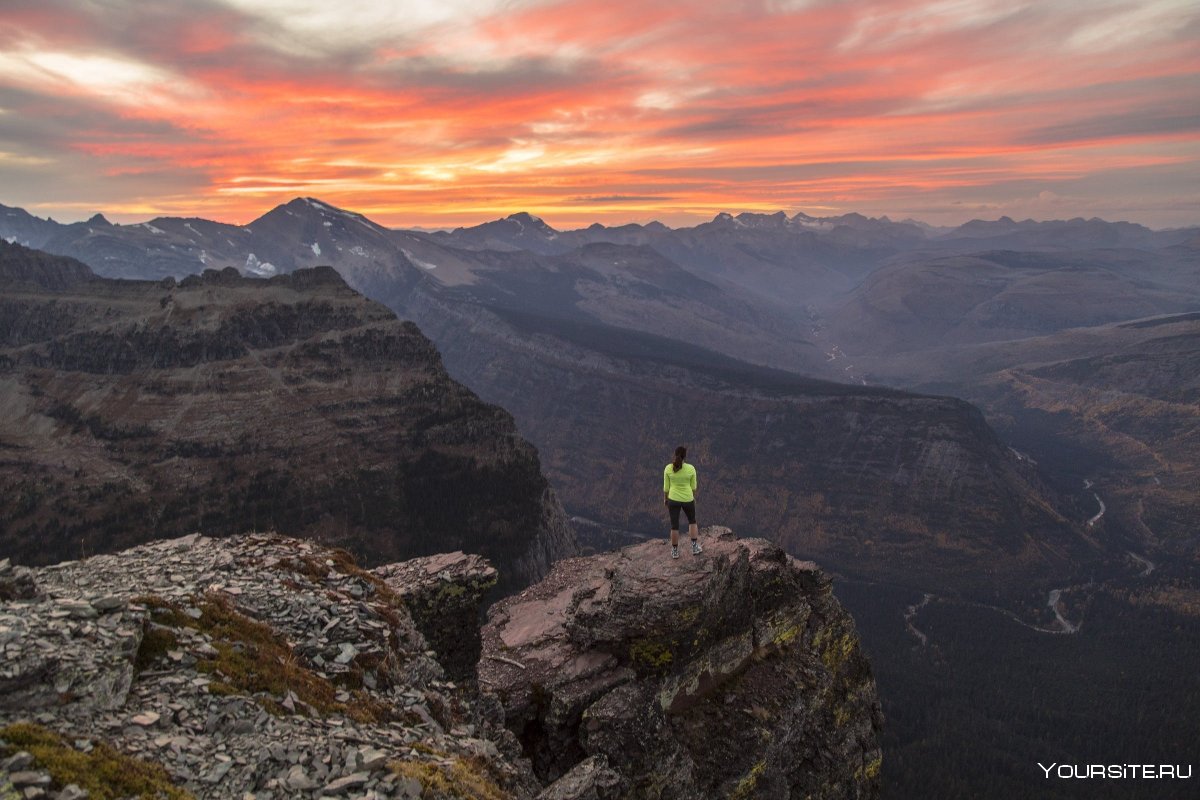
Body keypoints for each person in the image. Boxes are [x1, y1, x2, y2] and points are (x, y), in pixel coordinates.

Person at [663, 445, 701, 559]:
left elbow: (666, 488)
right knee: (692, 521)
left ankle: (675, 551)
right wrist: (692, 497)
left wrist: (666, 499)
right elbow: (694, 487)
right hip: (687, 499)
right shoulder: (691, 468)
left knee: (674, 526)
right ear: (685, 456)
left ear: (675, 454)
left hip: (673, 499)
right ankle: (694, 547)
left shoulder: (668, 468)